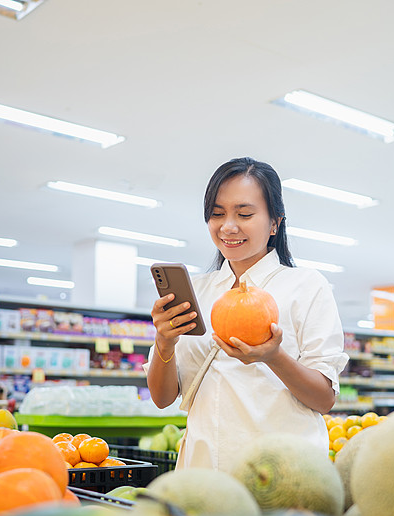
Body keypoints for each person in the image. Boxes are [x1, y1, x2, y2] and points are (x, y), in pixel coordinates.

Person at [146, 157, 348, 472]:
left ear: (274, 223)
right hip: (203, 474)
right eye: (217, 214)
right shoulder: (197, 291)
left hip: (283, 475)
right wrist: (164, 342)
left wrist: (273, 356)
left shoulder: (306, 287)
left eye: (244, 214)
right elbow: (162, 398)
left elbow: (324, 399)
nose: (228, 226)